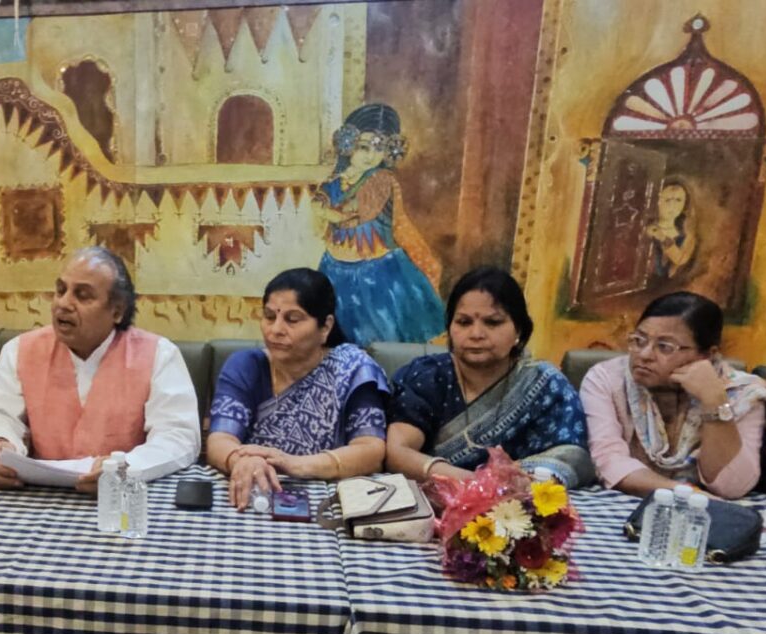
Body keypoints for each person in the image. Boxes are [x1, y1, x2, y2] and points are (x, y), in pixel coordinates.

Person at [0, 246, 200, 493]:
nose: (63, 303)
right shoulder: (20, 350)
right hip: (38, 496)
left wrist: (128, 466)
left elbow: (178, 435)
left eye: (82, 296)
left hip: (120, 498)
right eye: (61, 290)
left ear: (117, 310)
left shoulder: (159, 355)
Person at [385, 267, 594, 488]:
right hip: (436, 497)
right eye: (464, 322)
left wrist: (521, 481)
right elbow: (398, 452)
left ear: (519, 330)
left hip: (520, 499)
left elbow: (573, 457)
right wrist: (477, 483)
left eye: (493, 322)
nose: (476, 334)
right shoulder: (428, 376)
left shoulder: (544, 384)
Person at [208, 267, 388, 510]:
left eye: (292, 319)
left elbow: (371, 450)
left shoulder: (353, 370)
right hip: (254, 493)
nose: (275, 330)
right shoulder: (246, 366)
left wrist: (294, 464)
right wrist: (240, 461)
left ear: (325, 327)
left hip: (330, 503)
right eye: (269, 316)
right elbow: (221, 438)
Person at [580, 291, 766, 499]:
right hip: (641, 499)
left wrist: (714, 401)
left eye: (664, 347)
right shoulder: (608, 379)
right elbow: (609, 462)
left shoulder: (744, 393)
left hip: (710, 508)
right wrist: (687, 494)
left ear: (707, 355)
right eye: (639, 340)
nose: (644, 354)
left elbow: (732, 487)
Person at [314, 102, 444, 348]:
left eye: (379, 148)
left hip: (377, 276)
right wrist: (322, 208)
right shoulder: (334, 182)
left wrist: (328, 212)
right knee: (335, 346)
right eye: (364, 147)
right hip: (334, 270)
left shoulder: (382, 179)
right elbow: (318, 208)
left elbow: (356, 214)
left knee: (380, 346)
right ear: (348, 144)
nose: (371, 156)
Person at [645, 177, 697, 284]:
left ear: (685, 204)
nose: (673, 206)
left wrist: (663, 238)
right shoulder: (645, 228)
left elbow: (680, 259)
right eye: (667, 200)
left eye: (678, 200)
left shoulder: (687, 235)